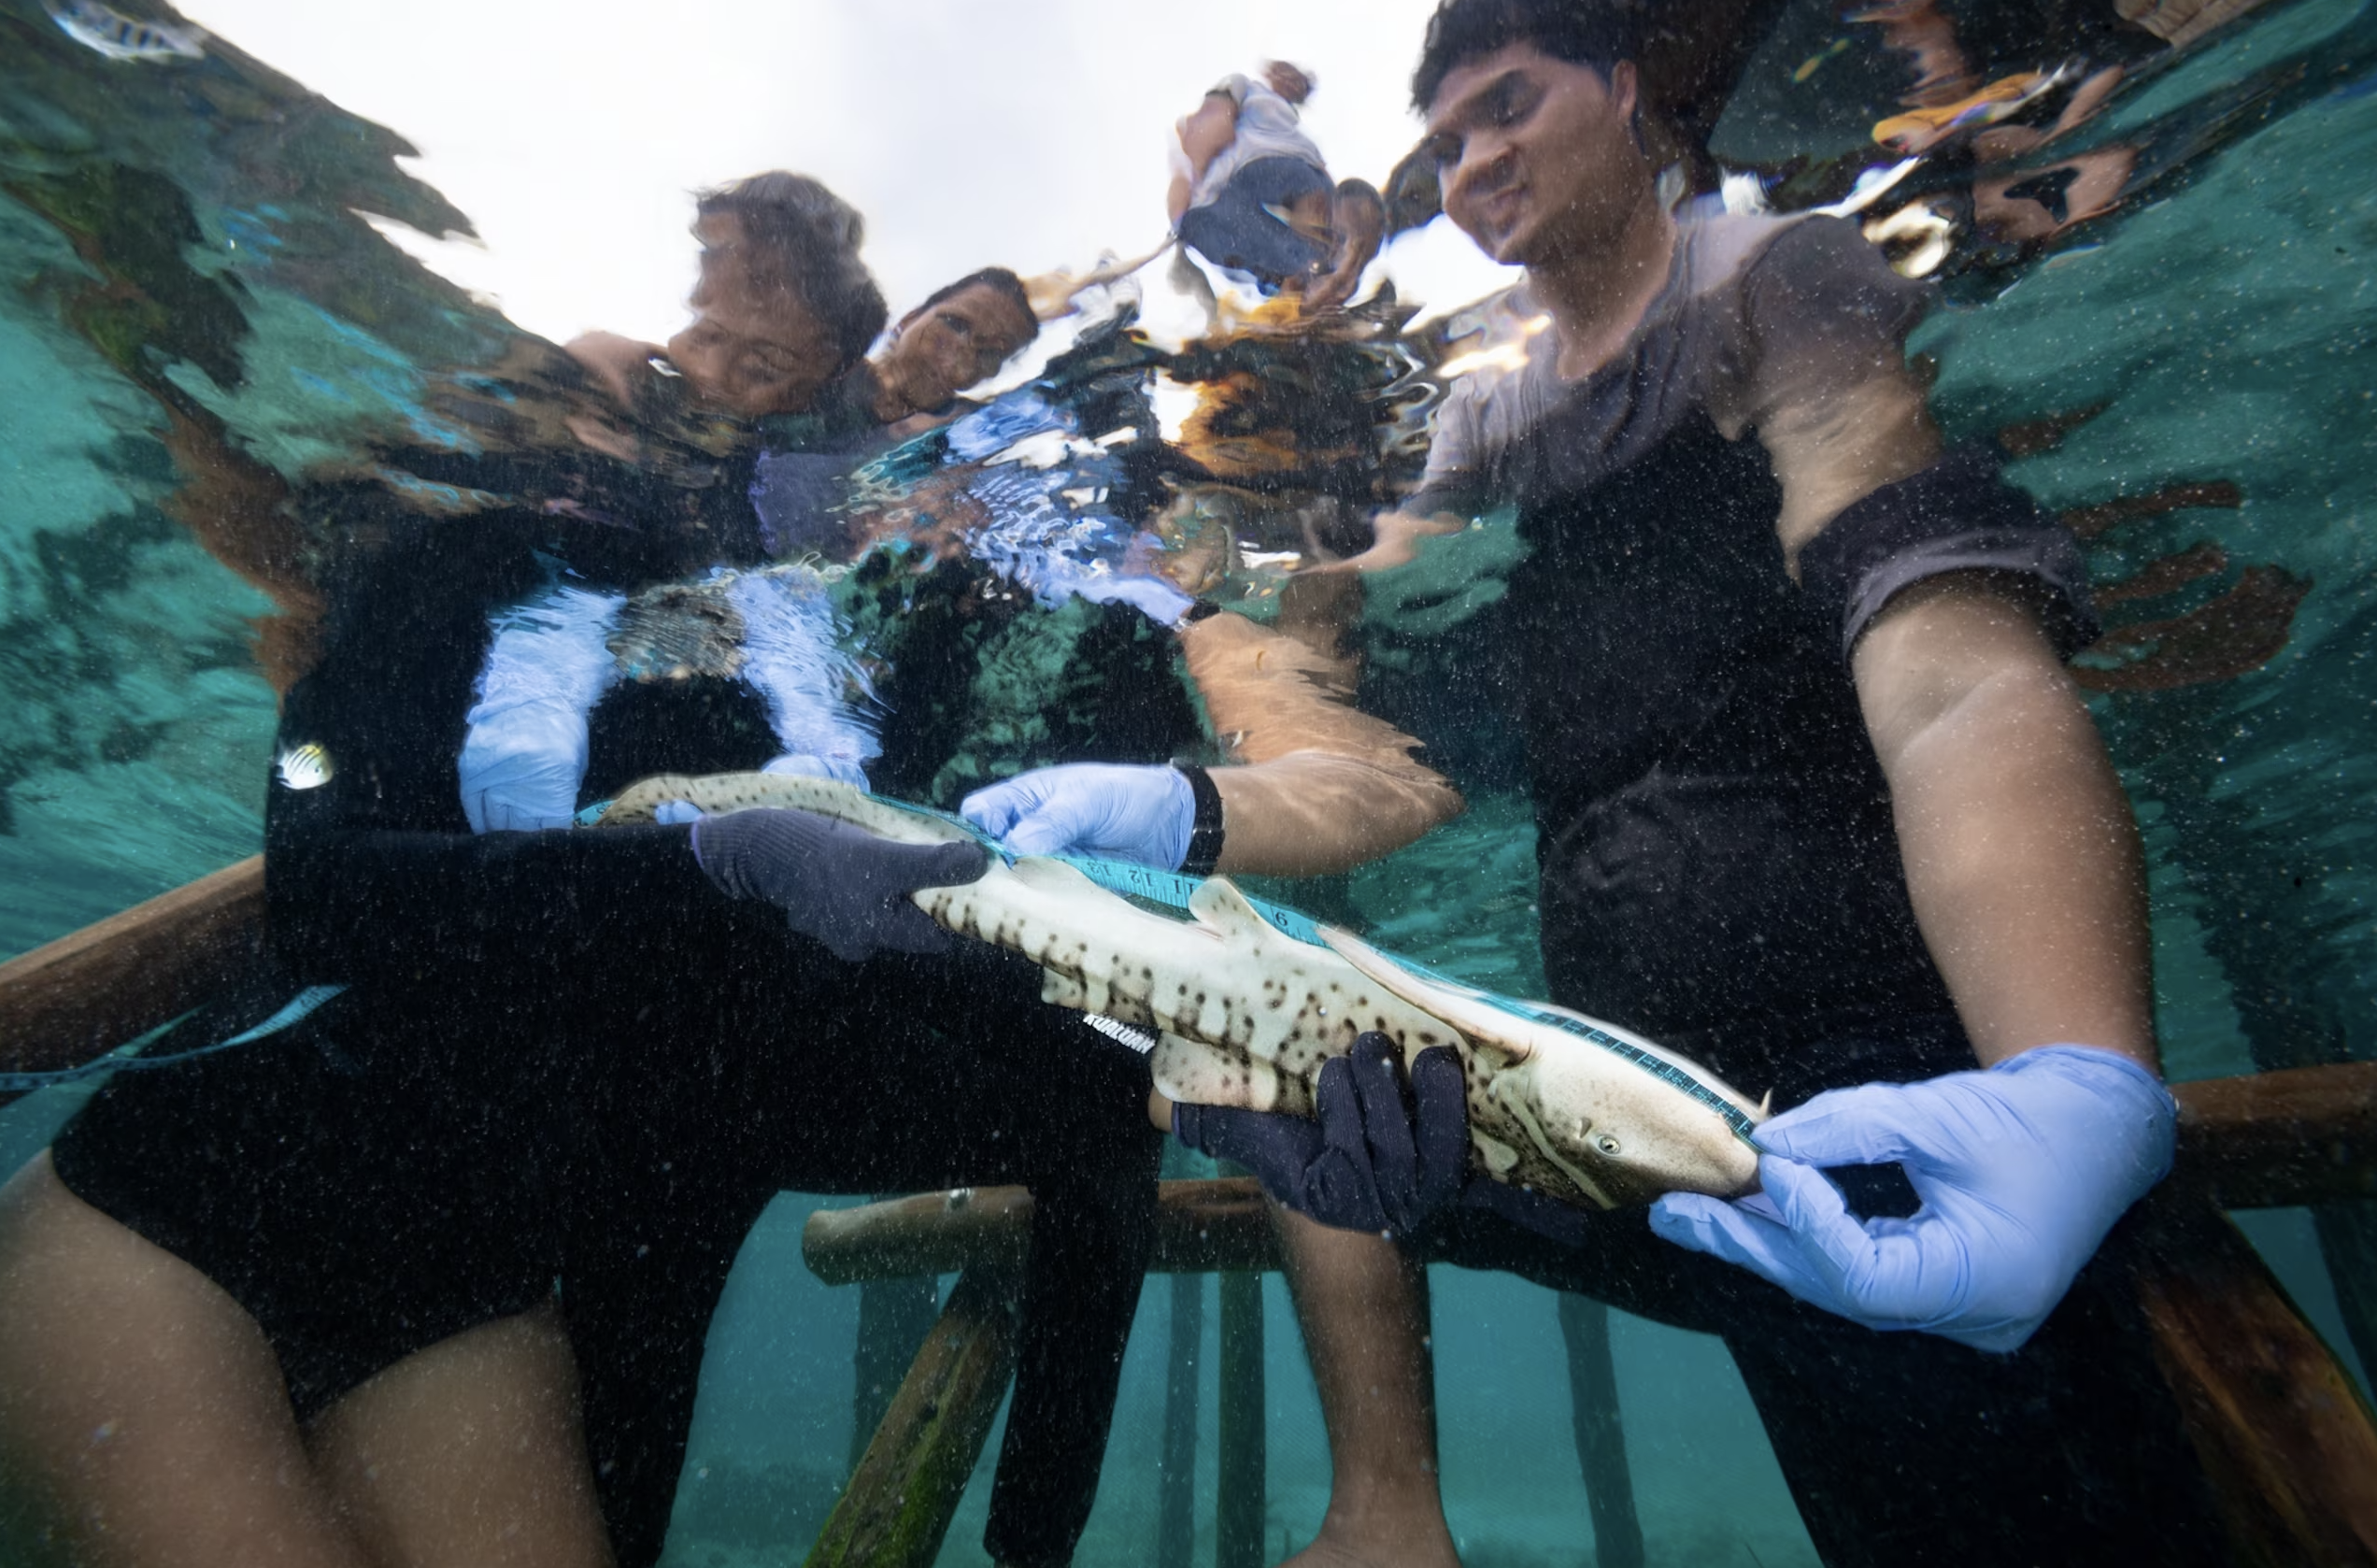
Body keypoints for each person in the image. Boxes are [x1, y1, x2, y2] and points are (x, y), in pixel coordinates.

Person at [995, 5, 2232, 1565]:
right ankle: (1388, 1518)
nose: (1474, 162)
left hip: (1883, 1078)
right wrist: (1191, 804)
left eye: (1510, 106)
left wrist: (2076, 1074)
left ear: (1628, 90)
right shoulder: (1468, 430)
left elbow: (1953, 670)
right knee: (1292, 1057)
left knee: (2034, 1517)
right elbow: (1383, 774)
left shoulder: (1771, 280)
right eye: (1448, 141)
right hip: (1629, 1099)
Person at [0, 171, 1155, 1568]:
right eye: (605, 389)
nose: (646, 406)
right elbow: (321, 896)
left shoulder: (730, 650)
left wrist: (1129, 1043)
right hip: (171, 1218)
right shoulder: (428, 582)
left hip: (461, 1276)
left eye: (702, 389)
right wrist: (720, 857)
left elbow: (769, 1058)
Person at [1168, 61, 1386, 310]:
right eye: (1291, 78)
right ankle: (1313, 285)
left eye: (1301, 83)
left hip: (1261, 185)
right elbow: (1211, 122)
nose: (1293, 85)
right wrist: (1191, 186)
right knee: (1294, 229)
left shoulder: (1295, 132)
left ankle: (1306, 290)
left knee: (1277, 250)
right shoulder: (1244, 87)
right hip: (1254, 176)